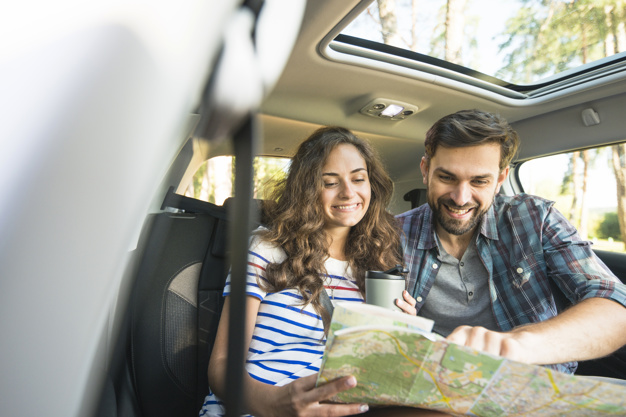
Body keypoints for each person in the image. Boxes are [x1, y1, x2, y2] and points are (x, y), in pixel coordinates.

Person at [200, 127, 447, 417]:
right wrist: (273, 403)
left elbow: (374, 373)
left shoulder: (375, 268)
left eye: (358, 179)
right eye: (330, 182)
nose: (348, 192)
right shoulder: (266, 249)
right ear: (306, 190)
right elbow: (221, 365)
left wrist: (402, 336)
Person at [395, 109, 626, 374]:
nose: (460, 198)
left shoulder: (536, 218)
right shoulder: (393, 233)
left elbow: (616, 305)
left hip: (535, 385)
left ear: (500, 180)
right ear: (426, 170)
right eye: (447, 177)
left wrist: (518, 345)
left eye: (479, 181)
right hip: (439, 386)